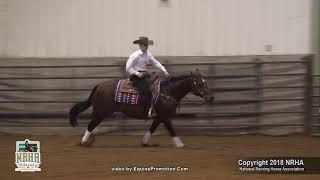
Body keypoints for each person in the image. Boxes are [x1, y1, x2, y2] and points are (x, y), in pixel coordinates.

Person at [126, 36, 169, 118]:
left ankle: (155, 107)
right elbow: (128, 67)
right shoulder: (135, 55)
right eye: (144, 45)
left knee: (156, 86)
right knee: (146, 90)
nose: (146, 47)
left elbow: (155, 63)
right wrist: (137, 73)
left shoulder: (148, 55)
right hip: (136, 76)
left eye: (147, 45)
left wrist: (164, 70)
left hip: (144, 75)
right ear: (140, 45)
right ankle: (146, 110)